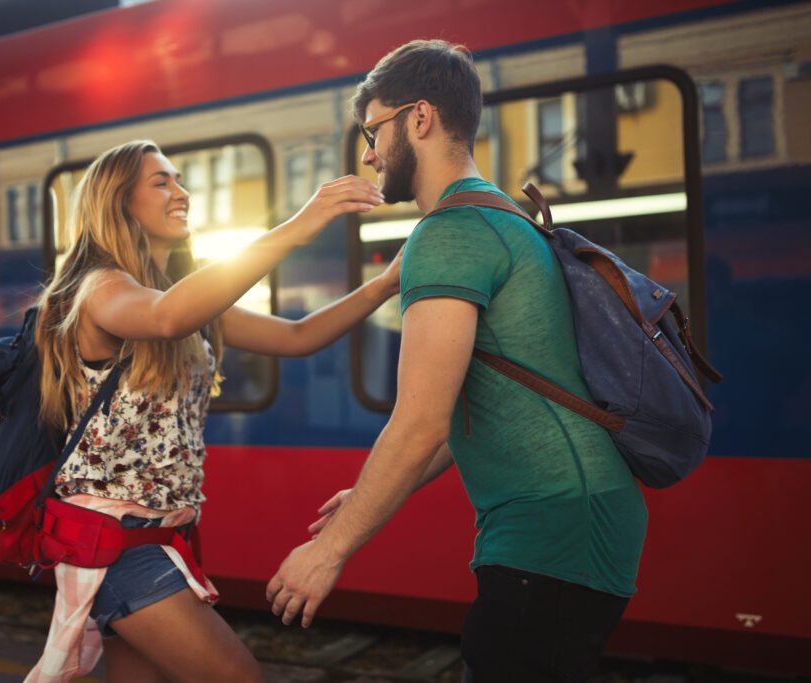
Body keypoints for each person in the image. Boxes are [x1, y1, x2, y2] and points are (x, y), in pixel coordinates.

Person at [266, 39, 648, 683]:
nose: (367, 153)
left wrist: (328, 551)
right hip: (580, 521)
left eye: (373, 130)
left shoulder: (446, 233)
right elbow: (473, 410)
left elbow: (418, 424)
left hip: (548, 532)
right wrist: (371, 493)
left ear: (419, 119)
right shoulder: (504, 217)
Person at [27, 140, 399, 683]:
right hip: (113, 542)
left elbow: (298, 336)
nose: (181, 192)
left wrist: (387, 284)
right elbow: (165, 317)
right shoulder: (99, 289)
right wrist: (302, 223)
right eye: (162, 182)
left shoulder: (188, 298)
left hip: (160, 536)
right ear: (119, 201)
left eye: (178, 179)